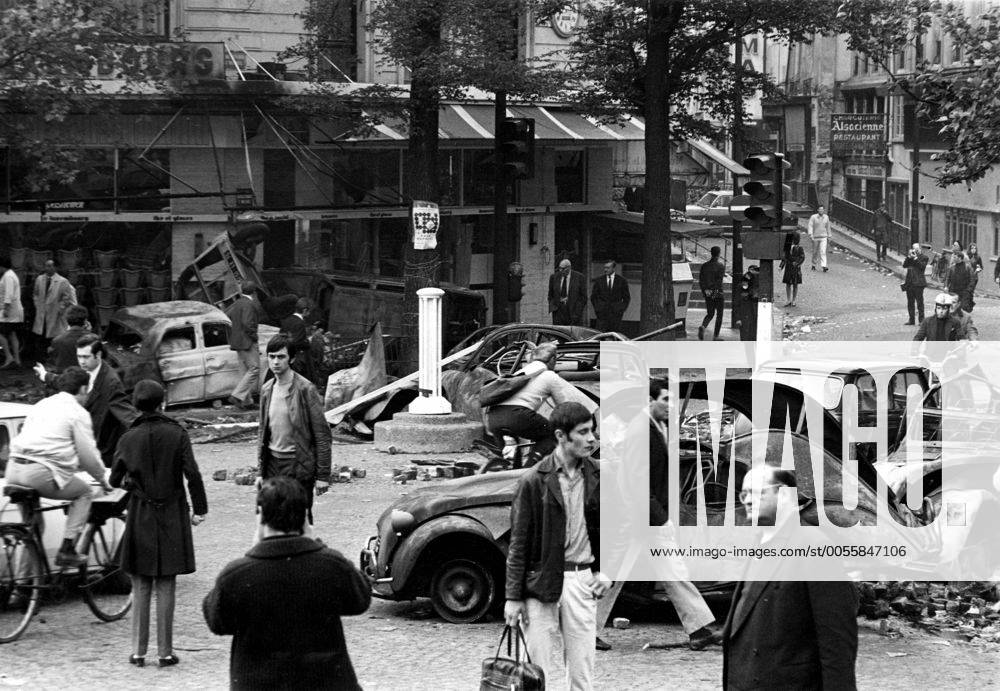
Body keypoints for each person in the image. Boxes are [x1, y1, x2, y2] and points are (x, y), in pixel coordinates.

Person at [203, 476, 371, 690]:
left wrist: (254, 553)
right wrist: (316, 544)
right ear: (304, 519)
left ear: (261, 517)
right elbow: (360, 599)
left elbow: (217, 621)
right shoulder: (331, 565)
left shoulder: (237, 576)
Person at [599, 379, 722, 652]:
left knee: (670, 571)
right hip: (640, 516)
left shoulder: (656, 426)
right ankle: (584, 627)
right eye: (666, 399)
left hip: (645, 515)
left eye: (673, 400)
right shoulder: (642, 430)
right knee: (616, 573)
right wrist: (660, 517)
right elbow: (638, 481)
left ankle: (699, 629)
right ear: (649, 400)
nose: (671, 405)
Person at [722, 465, 859, 690]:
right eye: (744, 494)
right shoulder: (759, 542)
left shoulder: (815, 547)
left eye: (756, 493)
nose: (746, 500)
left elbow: (837, 642)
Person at [504, 401, 610, 691]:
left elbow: (618, 528)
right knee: (536, 673)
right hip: (541, 583)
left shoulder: (600, 475)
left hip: (582, 579)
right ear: (562, 436)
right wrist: (513, 597)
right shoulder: (533, 480)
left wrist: (607, 570)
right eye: (584, 432)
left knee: (582, 671)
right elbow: (519, 543)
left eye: (593, 431)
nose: (592, 439)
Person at [110, 380, 208, 669]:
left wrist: (130, 480)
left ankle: (138, 652)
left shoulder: (128, 438)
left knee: (140, 582)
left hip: (140, 511)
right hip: (172, 510)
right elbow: (193, 473)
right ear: (162, 403)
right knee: (166, 582)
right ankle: (165, 652)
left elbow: (114, 480)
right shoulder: (177, 433)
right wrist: (200, 509)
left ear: (137, 405)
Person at [6, 367, 112, 567]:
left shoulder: (42, 404)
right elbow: (88, 456)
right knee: (84, 493)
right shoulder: (77, 412)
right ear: (83, 389)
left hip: (14, 469)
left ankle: (21, 589)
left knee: (34, 530)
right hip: (38, 473)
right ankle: (67, 549)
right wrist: (102, 480)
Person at [485, 342, 597, 468]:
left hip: (493, 417)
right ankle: (529, 468)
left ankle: (513, 475)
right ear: (553, 359)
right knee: (552, 435)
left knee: (514, 466)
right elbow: (564, 407)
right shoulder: (549, 375)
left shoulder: (523, 372)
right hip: (517, 416)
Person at [257, 333, 331, 523]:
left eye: (281, 357)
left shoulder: (306, 389)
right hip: (273, 464)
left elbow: (322, 435)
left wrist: (323, 475)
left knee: (299, 521)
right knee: (273, 519)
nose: (275, 362)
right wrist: (260, 472)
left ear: (291, 358)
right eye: (271, 356)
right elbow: (263, 433)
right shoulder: (267, 389)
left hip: (298, 466)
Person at [35, 333, 138, 467]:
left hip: (103, 452)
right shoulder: (84, 371)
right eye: (79, 357)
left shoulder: (111, 382)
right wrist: (44, 375)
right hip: (82, 448)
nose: (82, 361)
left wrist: (148, 427)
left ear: (98, 355)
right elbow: (66, 382)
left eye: (86, 357)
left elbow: (126, 413)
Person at [226, 280, 263, 409]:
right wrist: (254, 336)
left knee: (244, 371)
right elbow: (248, 323)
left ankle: (246, 401)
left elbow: (227, 315)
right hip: (247, 341)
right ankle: (237, 396)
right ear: (254, 292)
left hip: (237, 342)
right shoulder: (250, 304)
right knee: (254, 369)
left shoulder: (237, 303)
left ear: (242, 290)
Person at [31, 259, 77, 359]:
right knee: (40, 336)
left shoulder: (62, 281)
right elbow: (35, 294)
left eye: (50, 266)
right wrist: (37, 305)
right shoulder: (39, 279)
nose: (47, 268)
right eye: (46, 266)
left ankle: (52, 359)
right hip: (41, 313)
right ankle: (41, 358)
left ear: (55, 267)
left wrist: (60, 309)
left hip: (55, 314)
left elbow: (66, 298)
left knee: (53, 337)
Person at [590, 260, 630, 333]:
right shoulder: (599, 280)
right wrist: (597, 308)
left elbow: (626, 298)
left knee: (614, 336)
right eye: (605, 268)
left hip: (616, 315)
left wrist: (621, 309)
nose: (605, 270)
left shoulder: (621, 281)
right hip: (602, 315)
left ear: (613, 268)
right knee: (600, 335)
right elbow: (593, 297)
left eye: (608, 268)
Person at [0, 255, 24, 369]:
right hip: (13, 311)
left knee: (2, 333)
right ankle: (17, 359)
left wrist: (5, 309)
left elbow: (8, 294)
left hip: (9, 311)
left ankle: (9, 357)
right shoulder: (9, 275)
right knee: (12, 334)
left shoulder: (8, 276)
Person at [548, 258, 587, 326]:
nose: (561, 271)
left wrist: (577, 312)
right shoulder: (554, 277)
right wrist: (553, 307)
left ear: (569, 268)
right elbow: (550, 295)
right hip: (558, 312)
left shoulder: (579, 277)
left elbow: (583, 297)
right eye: (559, 268)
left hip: (573, 312)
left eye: (563, 269)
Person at [698, 246, 725, 341]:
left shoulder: (704, 266)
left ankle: (703, 326)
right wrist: (715, 293)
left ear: (711, 253)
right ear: (719, 253)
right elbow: (719, 282)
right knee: (719, 314)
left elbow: (701, 280)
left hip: (707, 292)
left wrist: (705, 292)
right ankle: (716, 336)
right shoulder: (720, 266)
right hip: (717, 293)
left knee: (710, 313)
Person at [280, 297, 312, 379]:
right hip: (294, 358)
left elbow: (281, 335)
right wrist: (307, 342)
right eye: (309, 311)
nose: (309, 314)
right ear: (305, 310)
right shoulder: (300, 323)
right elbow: (297, 342)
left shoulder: (286, 320)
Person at [902, 243, 929, 325]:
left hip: (919, 283)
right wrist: (908, 257)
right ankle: (911, 320)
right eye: (914, 249)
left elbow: (922, 267)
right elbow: (904, 265)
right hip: (909, 282)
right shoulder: (911, 256)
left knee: (920, 302)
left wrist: (916, 258)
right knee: (910, 302)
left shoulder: (924, 257)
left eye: (917, 249)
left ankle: (921, 320)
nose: (916, 251)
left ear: (920, 249)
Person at [781, 231, 805, 307]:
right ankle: (788, 300)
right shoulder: (788, 247)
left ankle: (793, 300)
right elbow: (785, 257)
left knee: (795, 284)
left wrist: (797, 263)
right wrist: (781, 266)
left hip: (795, 268)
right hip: (788, 267)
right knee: (788, 283)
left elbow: (802, 257)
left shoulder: (799, 248)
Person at [807, 205, 830, 272]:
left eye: (822, 209)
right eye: (820, 209)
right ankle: (813, 264)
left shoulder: (826, 217)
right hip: (815, 237)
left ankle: (824, 265)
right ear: (818, 210)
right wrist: (810, 234)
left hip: (824, 237)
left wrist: (829, 235)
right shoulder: (813, 217)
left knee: (823, 251)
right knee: (815, 252)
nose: (821, 211)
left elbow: (828, 226)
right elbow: (810, 225)